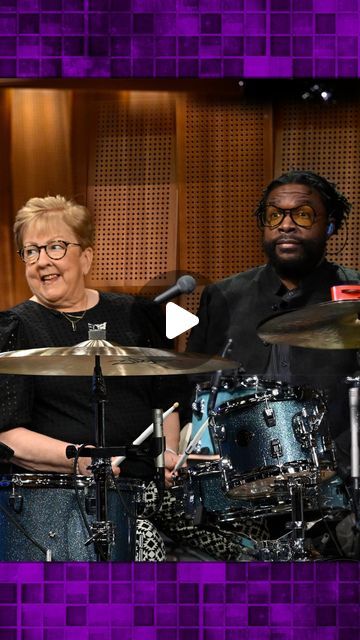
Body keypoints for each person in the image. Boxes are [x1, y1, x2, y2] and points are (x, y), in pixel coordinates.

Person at [185, 170, 360, 559]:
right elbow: (196, 391)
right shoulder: (224, 297)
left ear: (330, 224)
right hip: (242, 498)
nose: (286, 225)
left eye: (303, 215)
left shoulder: (353, 297)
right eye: (275, 215)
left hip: (339, 494)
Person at [0, 195, 183, 561]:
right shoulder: (13, 329)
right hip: (64, 496)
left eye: (55, 246)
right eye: (31, 251)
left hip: (149, 487)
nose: (42, 261)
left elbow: (164, 404)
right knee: (141, 542)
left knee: (247, 532)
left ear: (85, 256)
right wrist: (84, 461)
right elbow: (8, 435)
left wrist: (168, 452)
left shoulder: (136, 315)